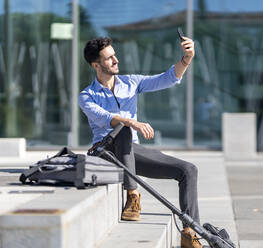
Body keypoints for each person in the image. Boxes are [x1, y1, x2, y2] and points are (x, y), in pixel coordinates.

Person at [79, 36, 202, 248]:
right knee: (123, 128)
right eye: (109, 58)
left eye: (115, 55)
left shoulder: (130, 83)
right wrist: (131, 122)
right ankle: (133, 197)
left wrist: (187, 58)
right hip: (104, 152)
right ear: (96, 65)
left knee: (188, 170)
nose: (116, 60)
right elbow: (105, 118)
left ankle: (190, 232)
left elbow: (167, 78)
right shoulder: (86, 95)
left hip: (131, 152)